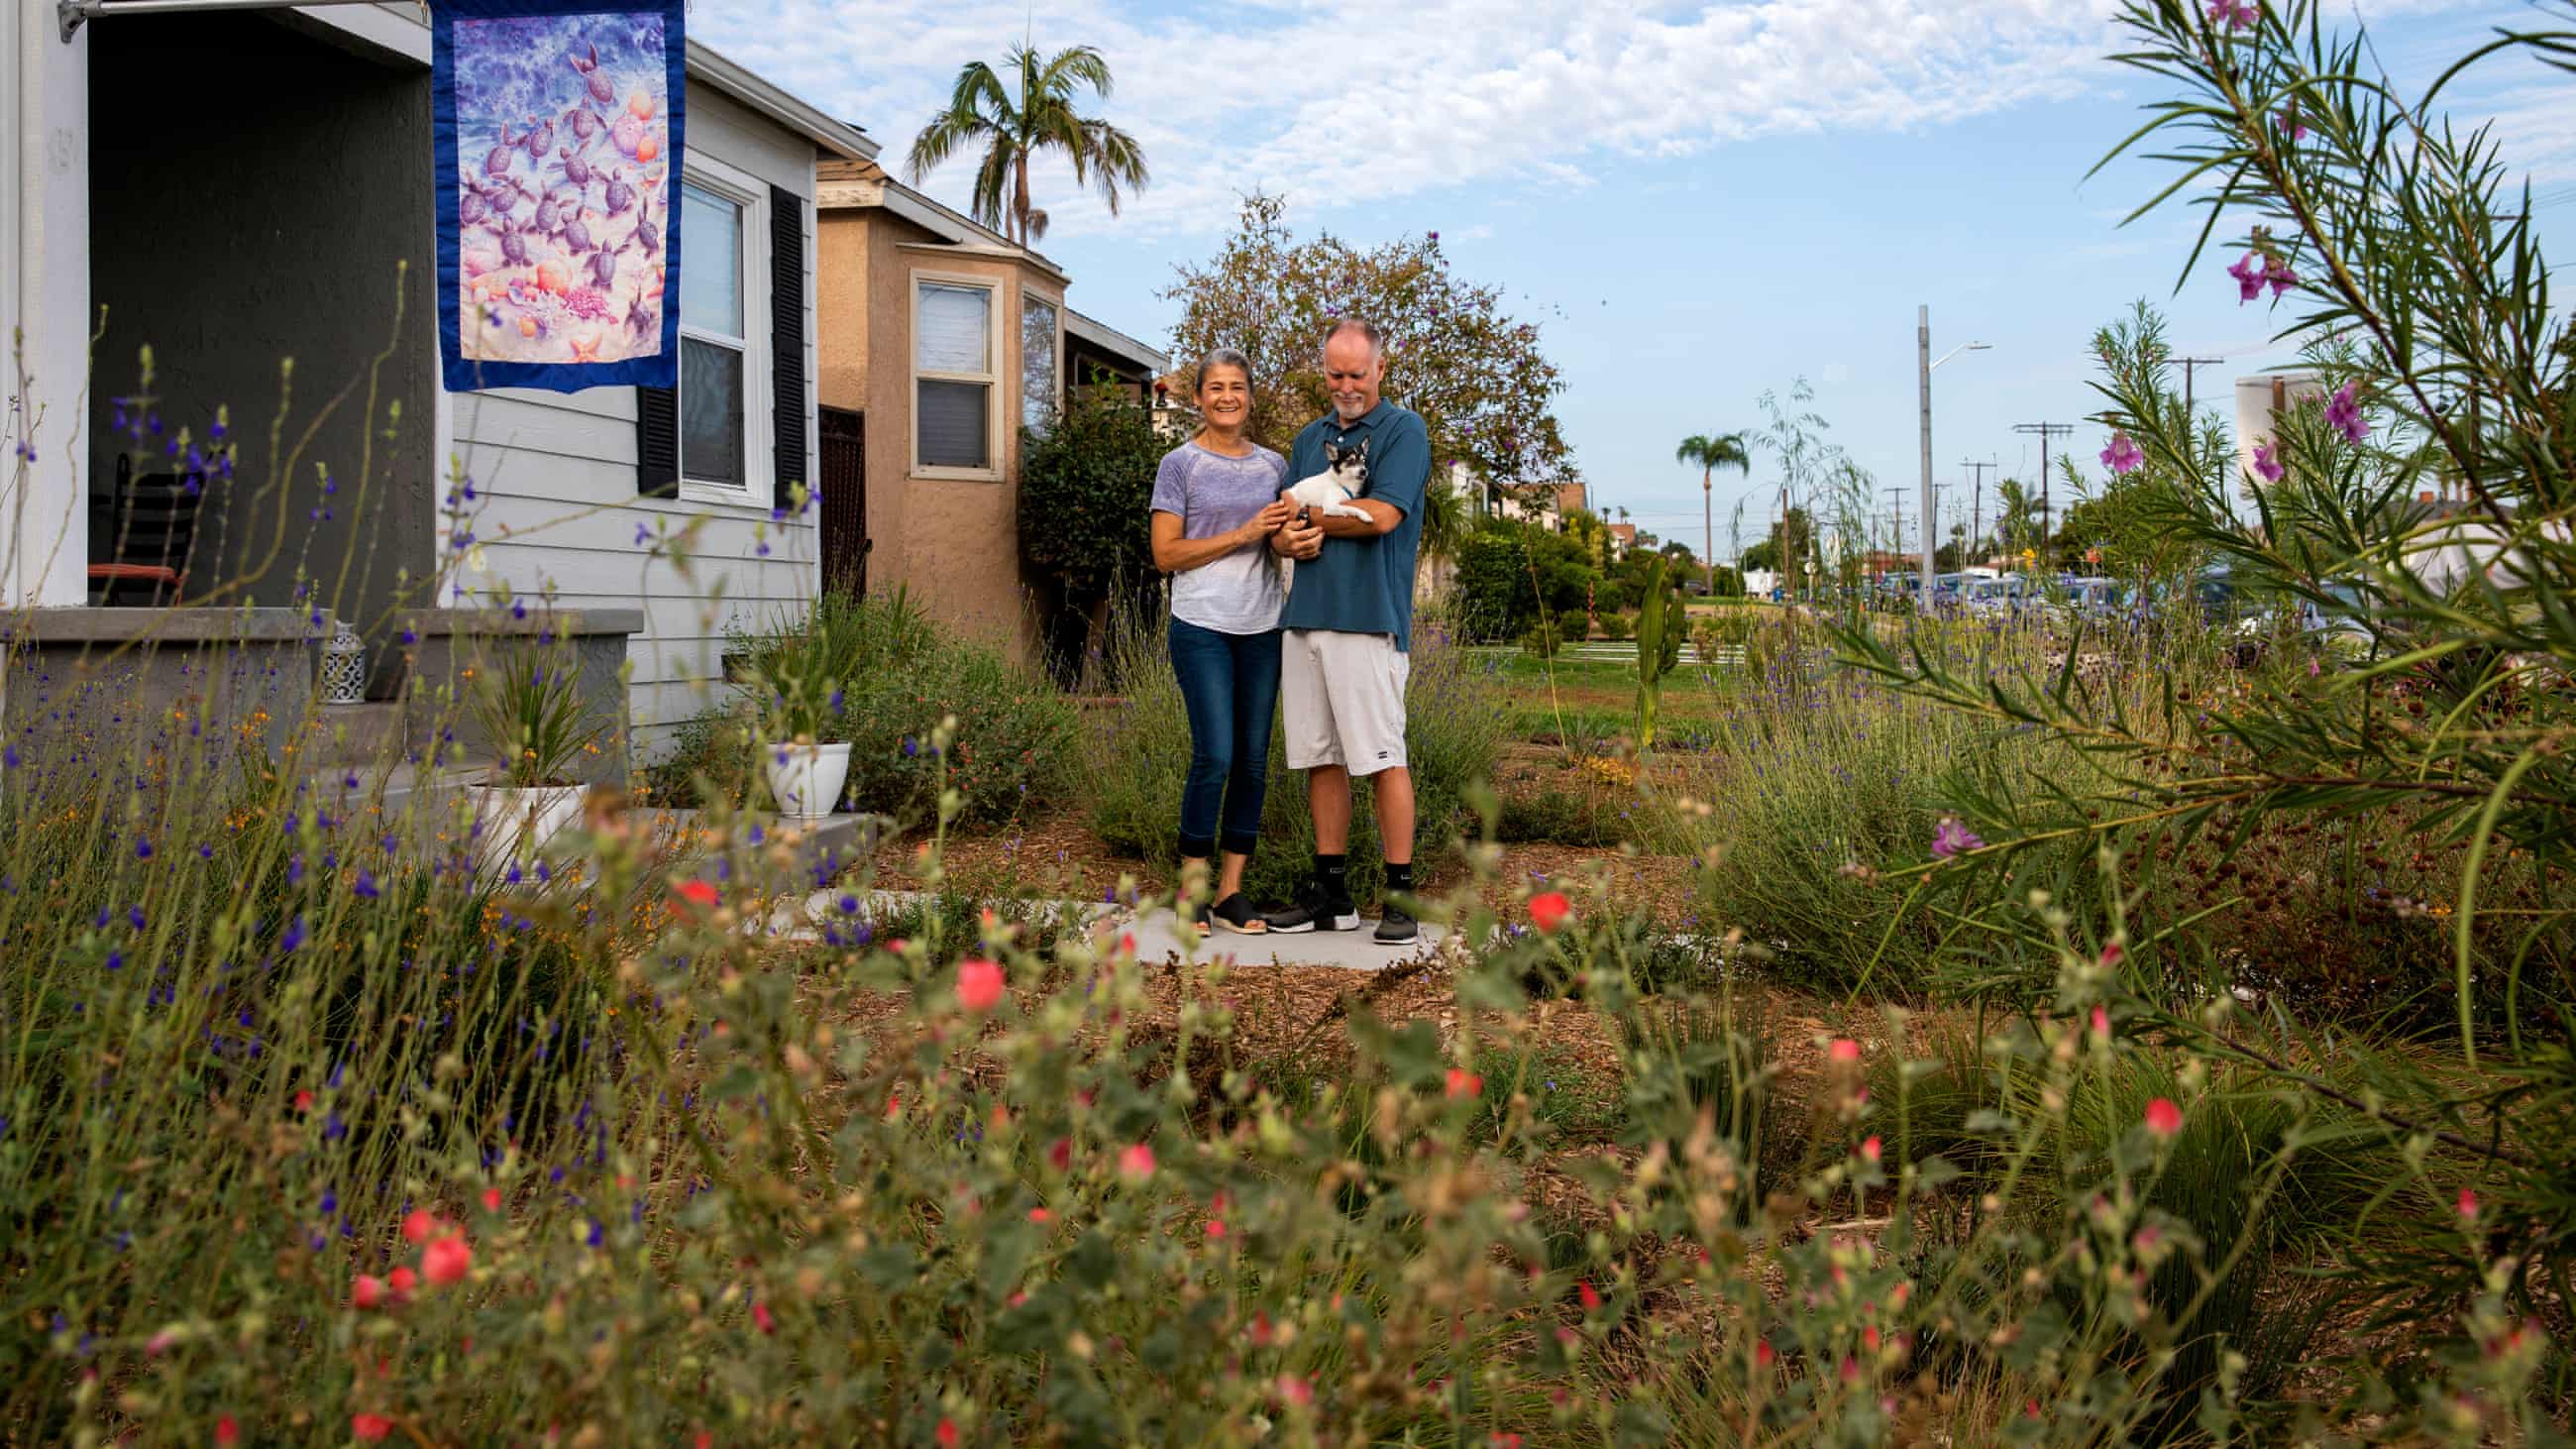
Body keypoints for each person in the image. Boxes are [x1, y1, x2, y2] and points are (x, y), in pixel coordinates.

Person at [1261, 318, 1430, 945]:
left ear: (1380, 369)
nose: (1347, 386)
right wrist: (1286, 537)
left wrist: (1308, 516)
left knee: (1384, 757)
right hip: (1303, 618)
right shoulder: (1310, 438)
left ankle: (1400, 898)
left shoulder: (1403, 431)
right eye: (1336, 374)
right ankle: (1332, 896)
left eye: (1358, 374)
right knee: (1321, 759)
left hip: (1368, 620)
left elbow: (1381, 516)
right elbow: (1281, 526)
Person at [1147, 348, 1297, 934]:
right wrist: (1243, 532)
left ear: (1250, 397)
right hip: (1201, 624)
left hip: (1262, 627)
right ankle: (1192, 892)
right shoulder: (1179, 465)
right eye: (1216, 387)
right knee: (1215, 755)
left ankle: (1232, 893)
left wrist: (1291, 541)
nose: (1227, 397)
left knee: (1253, 761)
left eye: (1237, 387)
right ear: (1199, 398)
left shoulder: (1274, 466)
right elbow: (1166, 554)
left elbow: (1279, 541)